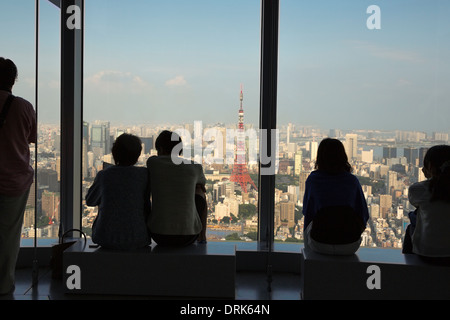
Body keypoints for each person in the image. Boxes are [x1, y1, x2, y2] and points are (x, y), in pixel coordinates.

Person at [0, 58, 37, 295]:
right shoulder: (23, 106)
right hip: (13, 181)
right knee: (8, 236)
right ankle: (3, 284)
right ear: (14, 80)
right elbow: (31, 137)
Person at [302, 138, 369, 255]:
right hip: (350, 244)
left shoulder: (313, 180)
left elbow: (307, 213)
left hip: (319, 242)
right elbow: (363, 215)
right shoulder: (352, 180)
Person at [86, 133, 151, 250]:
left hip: (105, 237)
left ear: (114, 153)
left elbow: (90, 201)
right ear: (137, 155)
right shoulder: (144, 175)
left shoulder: (105, 175)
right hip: (138, 238)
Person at [146, 130, 207, 246]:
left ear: (161, 149)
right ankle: (202, 236)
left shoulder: (153, 163)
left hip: (158, 235)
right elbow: (202, 185)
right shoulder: (195, 167)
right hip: (189, 236)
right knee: (200, 191)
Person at [402, 145, 450, 260]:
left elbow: (415, 201)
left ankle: (407, 265)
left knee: (412, 222)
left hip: (427, 254)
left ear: (429, 167)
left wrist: (429, 176)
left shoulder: (419, 190)